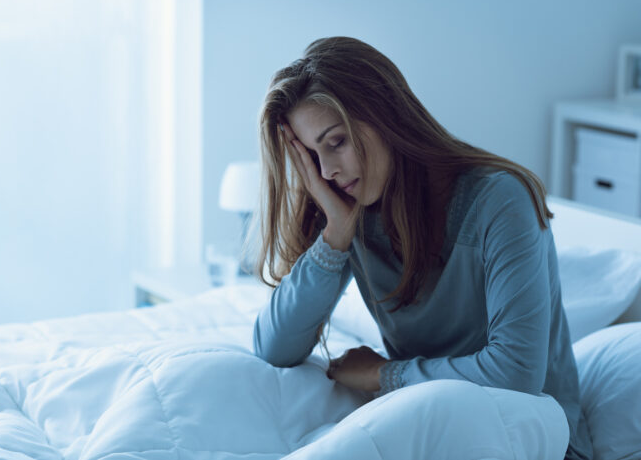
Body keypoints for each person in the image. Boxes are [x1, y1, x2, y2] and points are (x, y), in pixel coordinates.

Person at [251, 36, 592, 460]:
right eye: (313, 156)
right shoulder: (350, 210)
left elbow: (516, 374)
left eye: (335, 142)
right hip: (426, 426)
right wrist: (335, 235)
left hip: (535, 438)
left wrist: (383, 375)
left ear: (385, 116)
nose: (328, 171)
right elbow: (274, 347)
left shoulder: (499, 199)